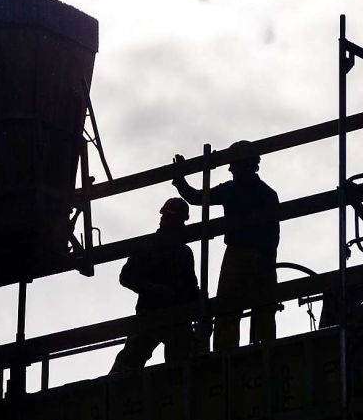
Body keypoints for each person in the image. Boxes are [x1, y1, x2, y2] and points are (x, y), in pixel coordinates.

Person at [173, 140, 280, 352]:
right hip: (263, 256)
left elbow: (197, 198)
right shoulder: (267, 193)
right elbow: (274, 236)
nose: (230, 168)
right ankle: (269, 353)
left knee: (228, 311)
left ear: (244, 164)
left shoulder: (233, 190)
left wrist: (180, 179)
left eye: (233, 163)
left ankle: (225, 357)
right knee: (264, 310)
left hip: (239, 256)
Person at [110, 197, 201, 373]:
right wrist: (150, 288)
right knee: (129, 362)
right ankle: (112, 392)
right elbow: (126, 277)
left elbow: (190, 287)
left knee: (181, 366)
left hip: (175, 316)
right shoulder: (148, 246)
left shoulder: (182, 252)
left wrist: (199, 301)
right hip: (151, 314)